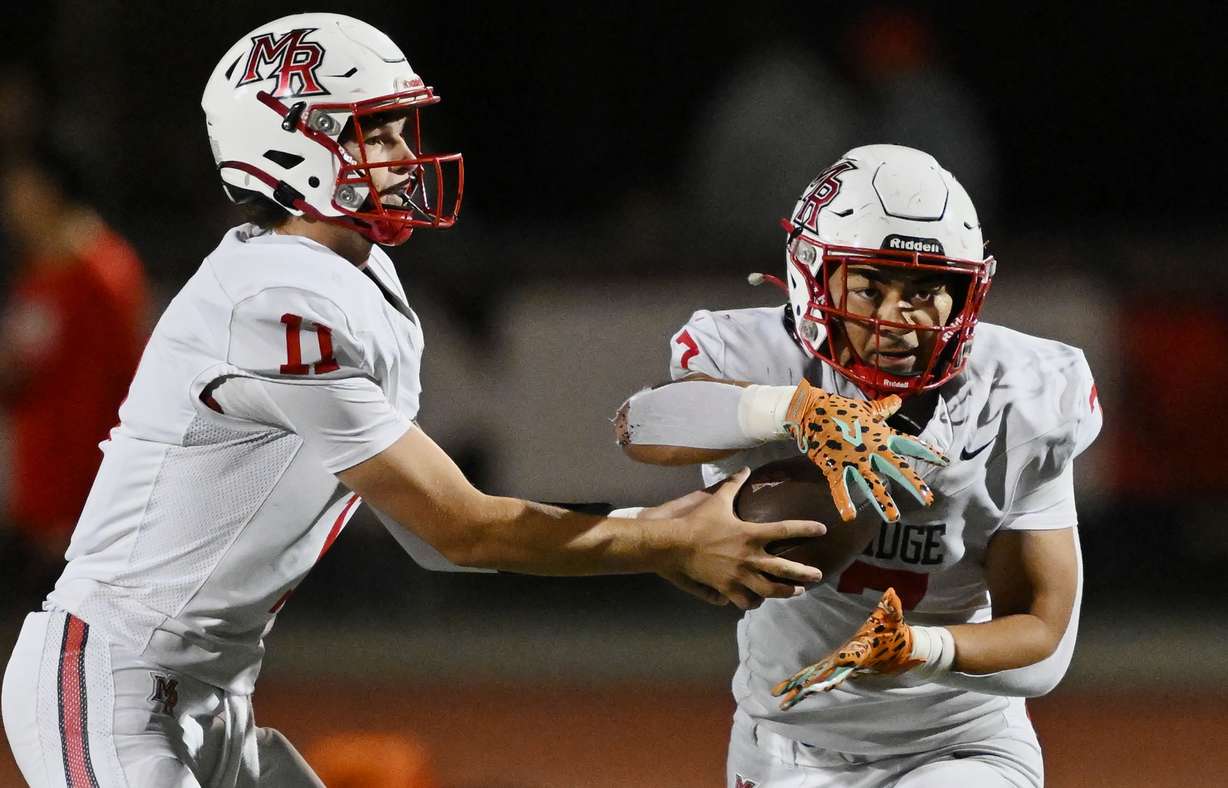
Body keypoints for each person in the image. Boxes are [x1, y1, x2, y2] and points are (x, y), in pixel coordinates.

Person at [0, 13, 824, 787]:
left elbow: (433, 536)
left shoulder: (361, 279)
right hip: (112, 678)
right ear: (292, 148)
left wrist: (666, 528)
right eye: (377, 133)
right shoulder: (275, 299)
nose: (403, 155)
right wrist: (663, 541)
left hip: (212, 694)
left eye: (401, 129)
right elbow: (457, 528)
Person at [616, 144, 1102, 787]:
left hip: (961, 744)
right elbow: (639, 426)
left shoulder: (1020, 394)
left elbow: (1042, 640)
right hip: (788, 742)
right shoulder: (764, 359)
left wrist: (921, 650)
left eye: (927, 289)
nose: (897, 318)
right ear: (811, 277)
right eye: (871, 285)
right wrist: (790, 411)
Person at [0, 146, 150, 603]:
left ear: (50, 192)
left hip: (81, 501)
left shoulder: (102, 274)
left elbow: (115, 388)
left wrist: (84, 501)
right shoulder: (41, 275)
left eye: (19, 191)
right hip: (39, 489)